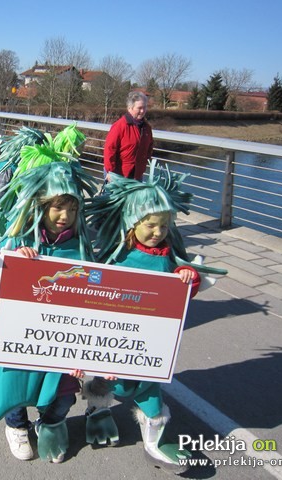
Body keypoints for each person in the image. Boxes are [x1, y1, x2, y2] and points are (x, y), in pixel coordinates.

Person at [82, 160, 227, 473]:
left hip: (148, 350)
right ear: (132, 222)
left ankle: (154, 442)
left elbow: (185, 286)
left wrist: (188, 275)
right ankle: (96, 413)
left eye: (164, 225)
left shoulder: (169, 256)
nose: (158, 232)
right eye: (151, 225)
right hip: (113, 345)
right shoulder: (115, 257)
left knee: (153, 402)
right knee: (101, 387)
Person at [0, 153, 99, 464]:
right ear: (41, 205)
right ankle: (17, 425)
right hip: (19, 335)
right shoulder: (18, 238)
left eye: (73, 208)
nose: (65, 215)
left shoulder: (79, 247)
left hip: (57, 339)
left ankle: (50, 422)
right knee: (15, 386)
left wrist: (84, 350)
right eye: (58, 206)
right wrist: (10, 262)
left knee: (64, 393)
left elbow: (92, 300)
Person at [103, 91, 153, 181]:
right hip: (119, 174)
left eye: (144, 107)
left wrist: (144, 163)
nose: (142, 111)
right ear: (130, 108)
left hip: (137, 174)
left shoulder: (146, 127)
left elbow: (149, 147)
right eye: (139, 108)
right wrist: (110, 171)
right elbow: (109, 150)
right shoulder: (120, 126)